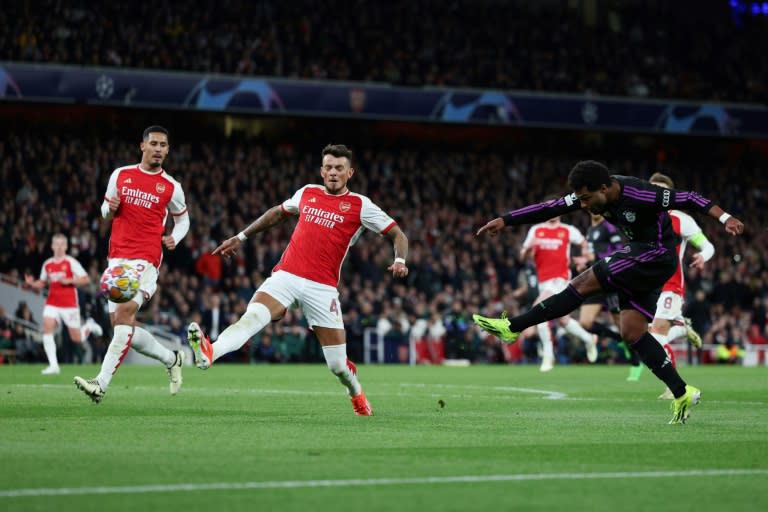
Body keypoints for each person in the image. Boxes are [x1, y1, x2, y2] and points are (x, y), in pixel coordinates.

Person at [473, 160, 744, 424]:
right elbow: (550, 207)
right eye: (580, 199)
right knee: (632, 332)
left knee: (581, 284)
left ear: (604, 188)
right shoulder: (589, 194)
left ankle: (513, 326)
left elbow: (688, 198)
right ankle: (683, 392)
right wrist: (505, 220)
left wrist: (725, 217)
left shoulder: (641, 193)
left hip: (655, 254)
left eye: (587, 198)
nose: (584, 205)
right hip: (645, 258)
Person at [186, 144, 409, 416]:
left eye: (339, 168)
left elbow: (398, 234)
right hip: (287, 275)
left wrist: (400, 260)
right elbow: (277, 213)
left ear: (350, 172)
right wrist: (240, 236)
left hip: (322, 288)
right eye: (328, 167)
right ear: (321, 170)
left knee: (337, 366)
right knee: (253, 317)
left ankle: (357, 394)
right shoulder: (307, 192)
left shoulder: (361, 205)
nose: (333, 172)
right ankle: (211, 352)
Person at [74, 125, 189, 403]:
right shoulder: (121, 175)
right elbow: (104, 212)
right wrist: (108, 209)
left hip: (146, 259)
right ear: (143, 146)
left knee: (124, 317)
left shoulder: (171, 186)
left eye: (164, 145)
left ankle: (100, 384)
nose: (159, 149)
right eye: (155, 144)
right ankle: (171, 359)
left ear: (168, 149)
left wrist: (175, 236)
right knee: (122, 326)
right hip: (117, 259)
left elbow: (183, 218)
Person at [648, 172, 715, 399]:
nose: (656, 193)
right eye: (652, 188)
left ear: (669, 195)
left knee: (656, 331)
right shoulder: (638, 216)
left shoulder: (681, 219)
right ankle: (682, 329)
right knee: (647, 336)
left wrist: (703, 256)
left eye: (661, 189)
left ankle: (674, 386)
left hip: (670, 284)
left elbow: (707, 246)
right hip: (645, 286)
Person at [519, 214, 598, 371]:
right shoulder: (536, 230)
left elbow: (584, 243)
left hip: (560, 279)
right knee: (562, 320)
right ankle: (589, 338)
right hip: (544, 282)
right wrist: (527, 251)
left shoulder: (567, 230)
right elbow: (523, 255)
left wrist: (584, 258)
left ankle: (548, 355)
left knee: (539, 309)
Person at [578, 212, 643, 381]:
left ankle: (636, 363)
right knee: (585, 322)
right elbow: (591, 257)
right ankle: (617, 339)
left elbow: (618, 252)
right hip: (595, 282)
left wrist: (597, 257)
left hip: (610, 281)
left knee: (623, 327)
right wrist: (584, 263)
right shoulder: (590, 230)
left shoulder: (608, 227)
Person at [25, 234, 90, 375]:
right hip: (52, 303)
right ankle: (54, 366)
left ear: (66, 247)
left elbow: (86, 279)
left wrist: (70, 281)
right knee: (47, 328)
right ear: (52, 246)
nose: (60, 247)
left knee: (76, 338)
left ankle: (89, 327)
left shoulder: (71, 262)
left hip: (69, 304)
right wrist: (32, 284)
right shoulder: (47, 264)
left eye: (62, 244)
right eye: (57, 244)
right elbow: (42, 282)